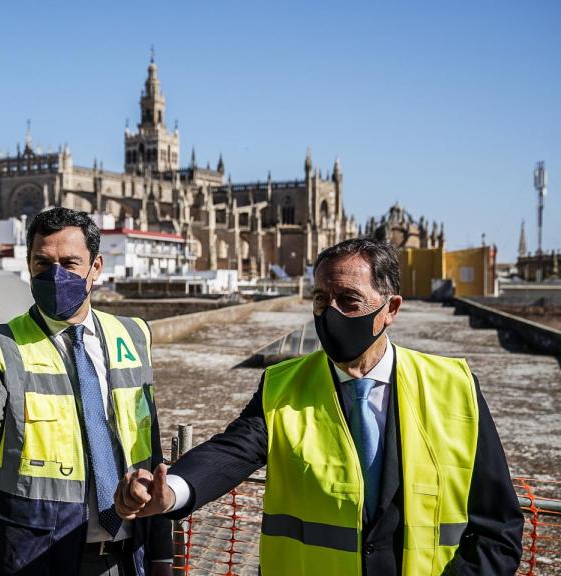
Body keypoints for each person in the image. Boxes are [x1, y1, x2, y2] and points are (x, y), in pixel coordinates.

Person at [114, 237, 525, 575]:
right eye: (320, 299)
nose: (331, 313)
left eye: (349, 300)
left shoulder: (454, 386)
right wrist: (171, 494)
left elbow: (497, 531)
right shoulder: (283, 384)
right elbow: (231, 450)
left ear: (391, 309)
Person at [0, 207, 173, 576]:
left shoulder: (133, 335)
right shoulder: (0, 344)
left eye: (69, 263)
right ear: (29, 264)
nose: (55, 275)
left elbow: (151, 450)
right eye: (43, 263)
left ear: (96, 268)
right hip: (34, 557)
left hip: (127, 557)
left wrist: (161, 555)